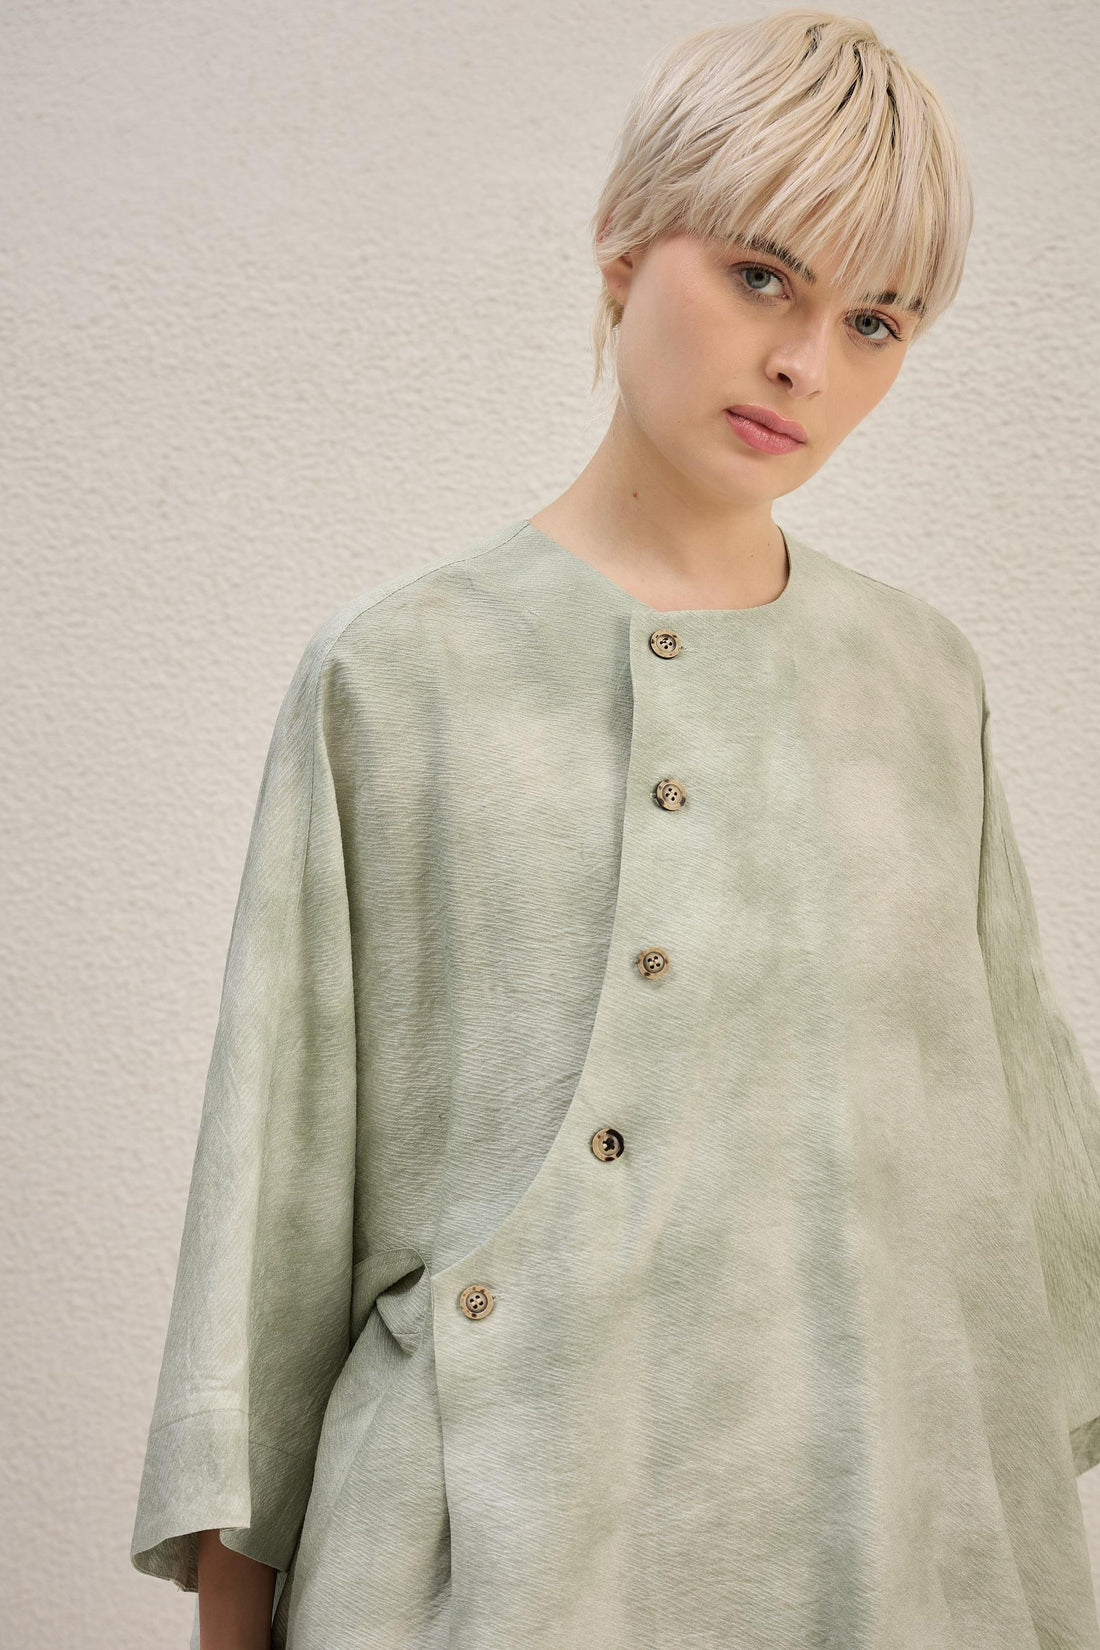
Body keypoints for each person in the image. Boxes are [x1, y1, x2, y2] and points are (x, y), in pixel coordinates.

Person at [130, 11, 1100, 1649]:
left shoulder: (925, 684)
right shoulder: (399, 669)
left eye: (876, 320)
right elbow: (270, 1207)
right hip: (490, 1565)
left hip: (879, 1563)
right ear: (625, 245)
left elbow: (1011, 1186)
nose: (806, 364)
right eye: (764, 277)